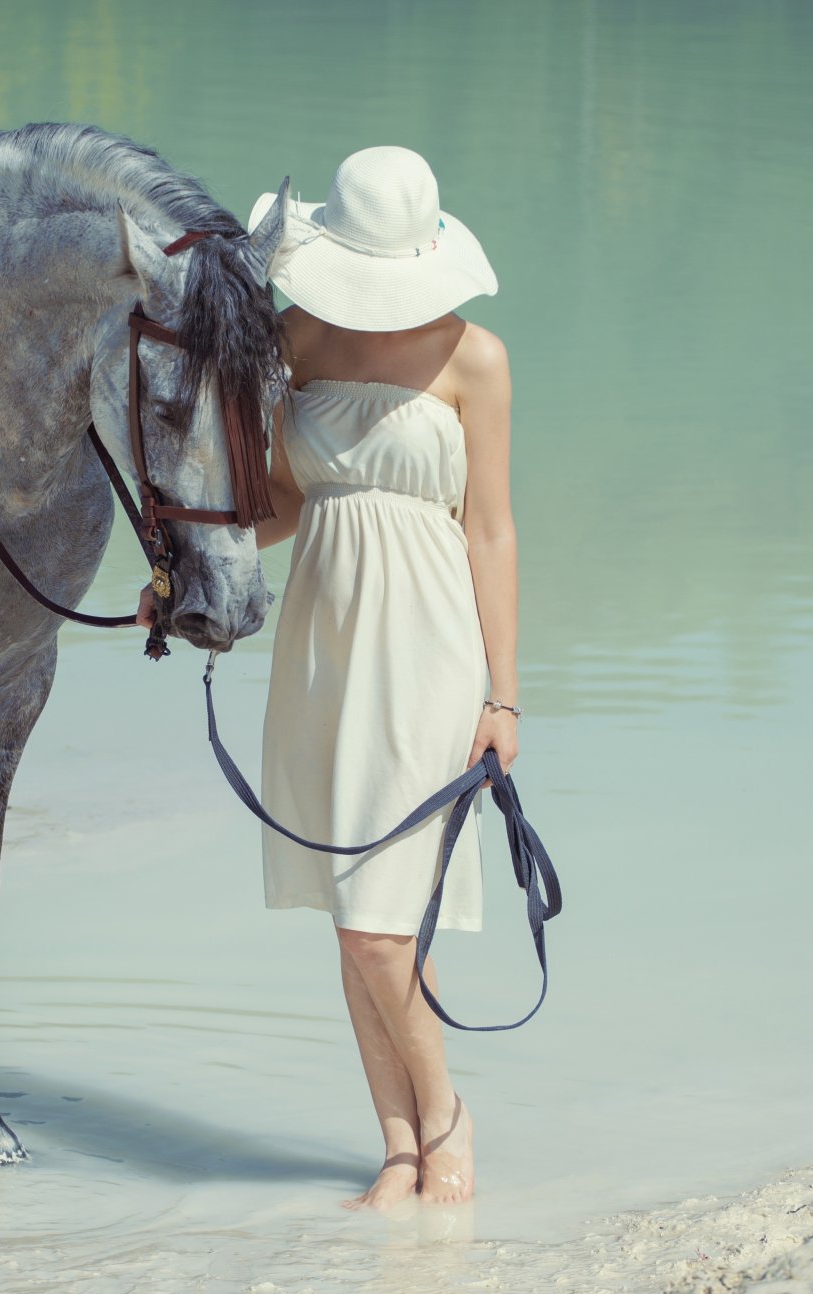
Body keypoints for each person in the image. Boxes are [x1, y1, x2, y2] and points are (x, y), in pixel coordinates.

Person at [250, 147, 517, 1210]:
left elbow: (490, 530)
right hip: (323, 644)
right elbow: (281, 502)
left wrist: (504, 695)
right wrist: (183, 575)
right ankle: (399, 1148)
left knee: (380, 921)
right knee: (352, 909)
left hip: (430, 649)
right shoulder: (293, 343)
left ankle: (447, 1121)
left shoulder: (475, 358)